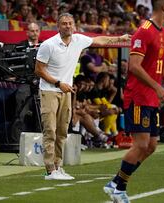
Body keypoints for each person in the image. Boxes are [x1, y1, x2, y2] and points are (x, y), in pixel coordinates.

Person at [103, 1, 164, 202]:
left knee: (152, 146)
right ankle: (119, 190)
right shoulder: (144, 31)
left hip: (151, 98)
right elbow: (134, 66)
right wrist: (158, 87)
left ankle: (115, 182)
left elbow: (162, 68)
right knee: (141, 144)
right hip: (138, 96)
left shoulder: (163, 32)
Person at [34, 12, 131, 181]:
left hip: (66, 91)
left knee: (63, 130)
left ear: (74, 25)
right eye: (64, 23)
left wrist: (120, 38)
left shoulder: (79, 40)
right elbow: (38, 70)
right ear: (58, 26)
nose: (68, 26)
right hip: (50, 90)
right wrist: (58, 83)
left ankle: (58, 166)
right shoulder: (48, 45)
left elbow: (101, 40)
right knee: (50, 129)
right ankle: (50, 170)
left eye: (70, 23)